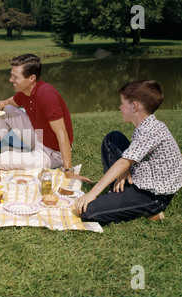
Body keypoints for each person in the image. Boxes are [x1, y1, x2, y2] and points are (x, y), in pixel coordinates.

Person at [0, 53, 92, 183]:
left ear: (31, 78)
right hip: (38, 138)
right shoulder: (24, 92)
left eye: (15, 77)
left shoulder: (47, 95)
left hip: (52, 153)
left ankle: (25, 156)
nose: (11, 80)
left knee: (1, 160)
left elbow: (62, 134)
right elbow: (5, 103)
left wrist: (68, 171)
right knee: (8, 111)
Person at [77, 80, 182, 225]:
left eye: (122, 104)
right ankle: (119, 194)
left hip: (154, 195)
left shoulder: (150, 130)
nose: (120, 107)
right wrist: (124, 171)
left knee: (88, 211)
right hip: (145, 176)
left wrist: (92, 193)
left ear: (134, 107)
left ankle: (153, 209)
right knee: (112, 139)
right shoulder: (148, 124)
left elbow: (123, 162)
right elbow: (129, 158)